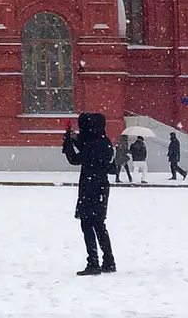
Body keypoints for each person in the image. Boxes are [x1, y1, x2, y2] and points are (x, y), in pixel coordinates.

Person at [62, 112, 115, 276]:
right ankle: (108, 261)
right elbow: (87, 147)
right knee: (99, 225)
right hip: (100, 187)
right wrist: (75, 139)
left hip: (90, 187)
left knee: (87, 224)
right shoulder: (104, 141)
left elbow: (76, 159)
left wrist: (68, 144)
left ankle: (93, 262)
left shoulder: (93, 144)